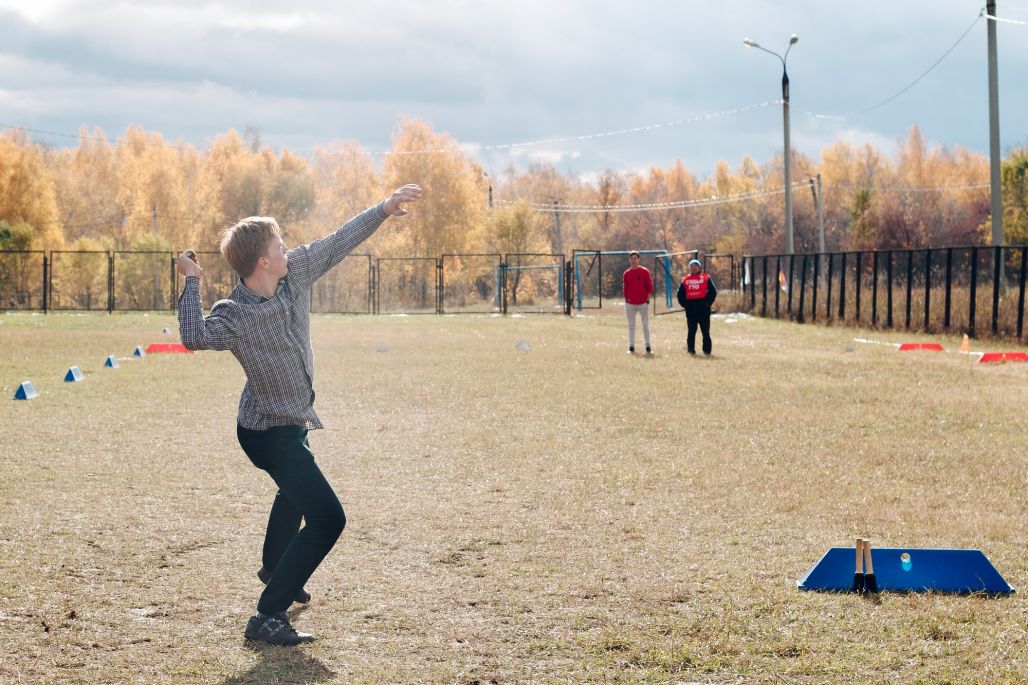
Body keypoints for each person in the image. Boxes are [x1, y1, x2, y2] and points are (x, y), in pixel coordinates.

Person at [176, 184, 422, 646]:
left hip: (292, 422)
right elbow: (191, 334)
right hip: (266, 433)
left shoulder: (294, 276)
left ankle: (275, 566)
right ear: (262, 262)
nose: (288, 249)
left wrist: (384, 209)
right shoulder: (235, 315)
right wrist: (192, 279)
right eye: (279, 245)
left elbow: (338, 240)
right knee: (329, 518)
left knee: (296, 493)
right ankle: (267, 615)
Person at [676, 258, 717, 355]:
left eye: (695, 266)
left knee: (705, 331)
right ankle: (691, 349)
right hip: (691, 309)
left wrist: (707, 303)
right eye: (691, 266)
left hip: (703, 309)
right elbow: (680, 294)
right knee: (691, 331)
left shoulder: (706, 277)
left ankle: (707, 350)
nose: (693, 268)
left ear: (699, 267)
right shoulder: (685, 279)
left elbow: (713, 292)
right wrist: (685, 305)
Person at [622, 250, 654, 354]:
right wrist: (626, 300)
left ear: (638, 259)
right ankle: (631, 346)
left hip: (642, 302)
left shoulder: (644, 271)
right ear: (629, 260)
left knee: (645, 325)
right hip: (630, 303)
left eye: (635, 258)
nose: (633, 260)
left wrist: (647, 300)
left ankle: (648, 346)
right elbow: (625, 288)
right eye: (631, 258)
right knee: (631, 325)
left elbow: (649, 286)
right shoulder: (626, 273)